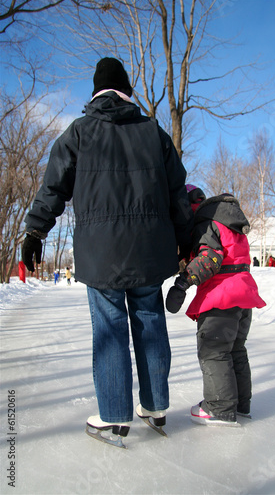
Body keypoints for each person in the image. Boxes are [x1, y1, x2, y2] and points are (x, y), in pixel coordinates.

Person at [22, 57, 194, 448]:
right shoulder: (154, 132)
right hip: (150, 251)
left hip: (102, 254)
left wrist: (35, 230)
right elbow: (177, 193)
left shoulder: (78, 132)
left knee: (110, 330)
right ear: (127, 91)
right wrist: (185, 239)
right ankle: (155, 406)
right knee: (150, 322)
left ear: (96, 91)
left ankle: (115, 417)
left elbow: (53, 188)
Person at [166, 187, 266, 426]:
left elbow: (210, 257)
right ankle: (240, 405)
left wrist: (182, 284)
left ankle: (219, 408)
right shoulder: (227, 221)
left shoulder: (206, 222)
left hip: (221, 297)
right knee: (235, 351)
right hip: (243, 295)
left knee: (214, 351)